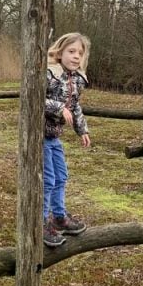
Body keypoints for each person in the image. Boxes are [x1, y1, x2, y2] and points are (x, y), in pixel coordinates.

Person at [42, 32, 92, 248]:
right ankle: (40, 223)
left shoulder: (76, 80)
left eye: (80, 54)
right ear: (60, 52)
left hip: (54, 137)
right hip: (39, 136)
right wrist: (59, 107)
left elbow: (76, 107)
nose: (76, 57)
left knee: (61, 176)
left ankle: (59, 217)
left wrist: (82, 130)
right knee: (48, 179)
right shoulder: (49, 75)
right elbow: (33, 98)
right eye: (71, 52)